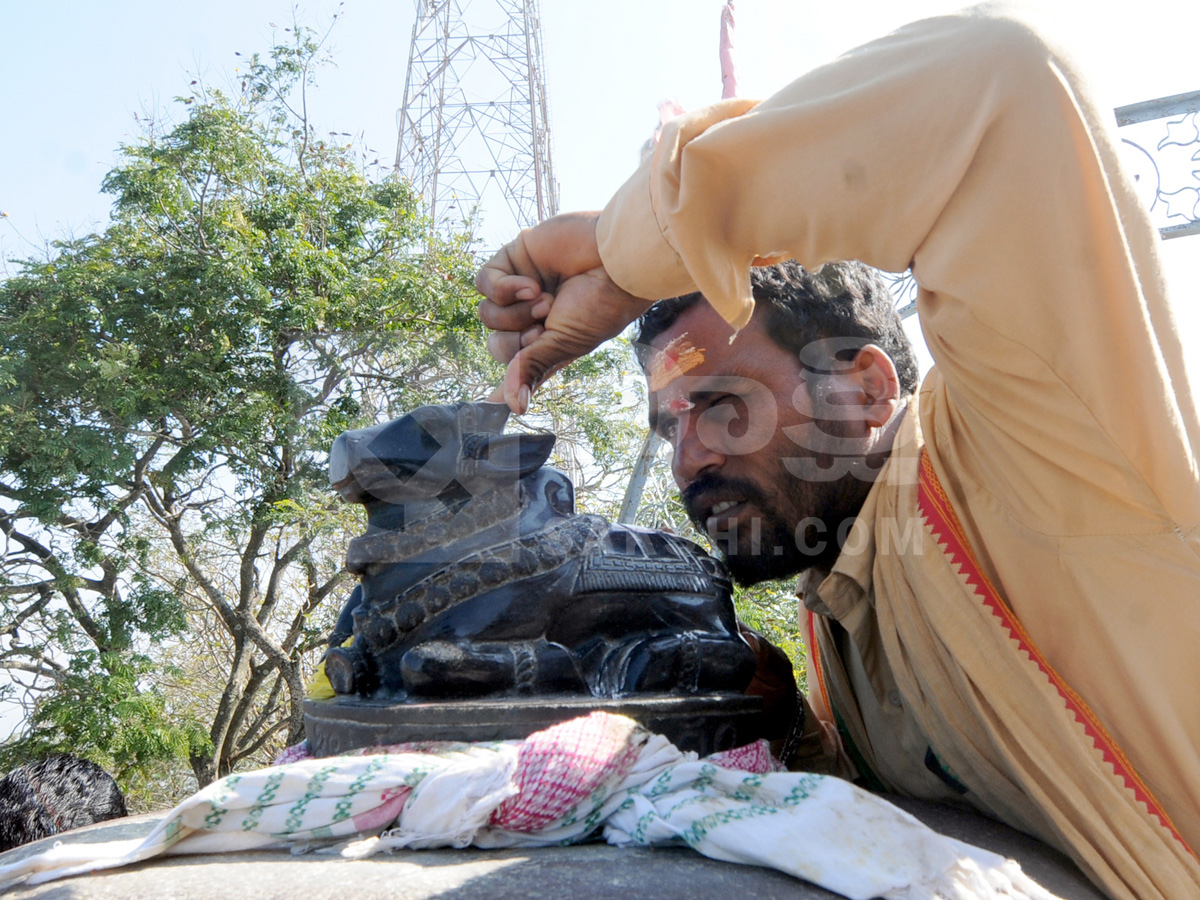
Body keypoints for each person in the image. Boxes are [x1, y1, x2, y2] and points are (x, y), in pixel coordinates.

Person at [474, 5, 1200, 899]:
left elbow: (1004, 75)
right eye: (669, 426)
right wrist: (777, 714)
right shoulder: (838, 588)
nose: (689, 459)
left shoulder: (1034, 451)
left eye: (722, 404)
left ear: (864, 389)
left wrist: (627, 257)